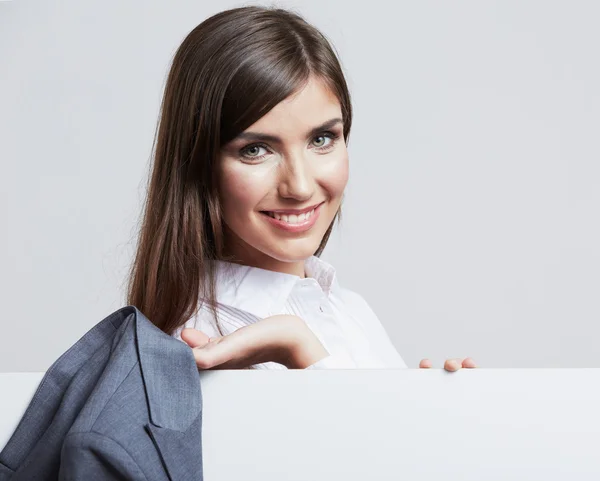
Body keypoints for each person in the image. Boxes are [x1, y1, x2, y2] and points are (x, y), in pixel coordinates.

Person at [126, 5, 477, 372]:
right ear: (198, 163)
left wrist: (439, 415)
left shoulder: (351, 309)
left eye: (322, 139)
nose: (299, 185)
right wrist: (299, 349)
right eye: (255, 149)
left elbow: (374, 430)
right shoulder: (195, 343)